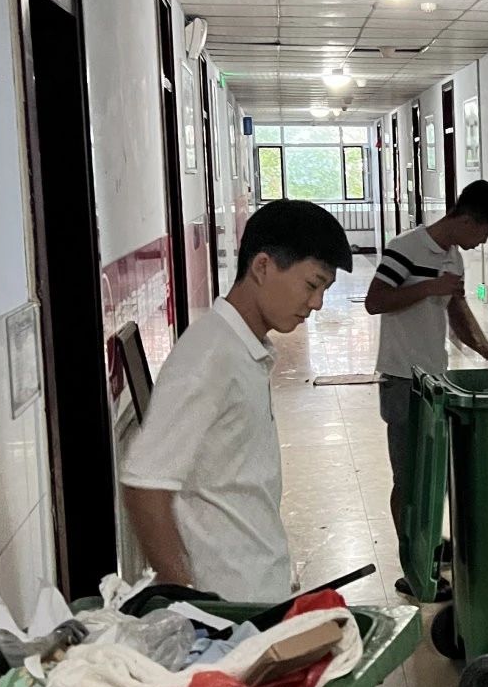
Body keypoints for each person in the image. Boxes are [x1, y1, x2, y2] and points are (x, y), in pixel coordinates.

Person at [123, 199, 352, 603]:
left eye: (324, 290)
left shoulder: (243, 349)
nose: (316, 303)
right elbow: (144, 483)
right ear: (262, 267)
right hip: (225, 603)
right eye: (312, 285)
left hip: (255, 586)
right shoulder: (209, 355)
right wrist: (187, 598)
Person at [365, 180, 488, 594]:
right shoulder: (406, 248)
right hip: (402, 379)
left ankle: (427, 545)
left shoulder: (452, 257)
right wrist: (429, 286)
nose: (483, 242)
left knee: (435, 475)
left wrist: (483, 347)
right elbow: (375, 300)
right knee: (409, 480)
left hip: (435, 379)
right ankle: (414, 570)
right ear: (467, 220)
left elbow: (456, 309)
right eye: (484, 232)